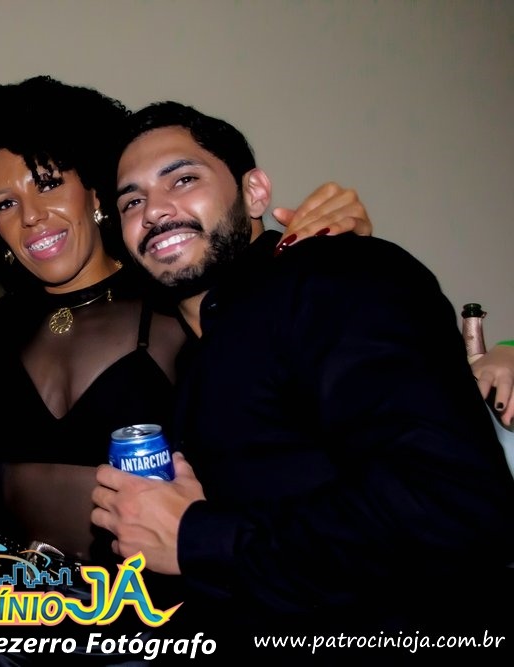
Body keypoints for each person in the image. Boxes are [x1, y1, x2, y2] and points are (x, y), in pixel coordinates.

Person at [0, 76, 371, 664]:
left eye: (48, 184)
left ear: (95, 192)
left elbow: (302, 386)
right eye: (5, 204)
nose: (31, 216)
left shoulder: (179, 296)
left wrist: (330, 240)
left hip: (143, 630)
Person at [92, 101, 514, 661]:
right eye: (132, 201)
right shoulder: (196, 356)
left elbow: (451, 509)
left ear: (256, 193)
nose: (155, 211)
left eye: (184, 179)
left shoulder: (336, 277)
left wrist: (197, 537)